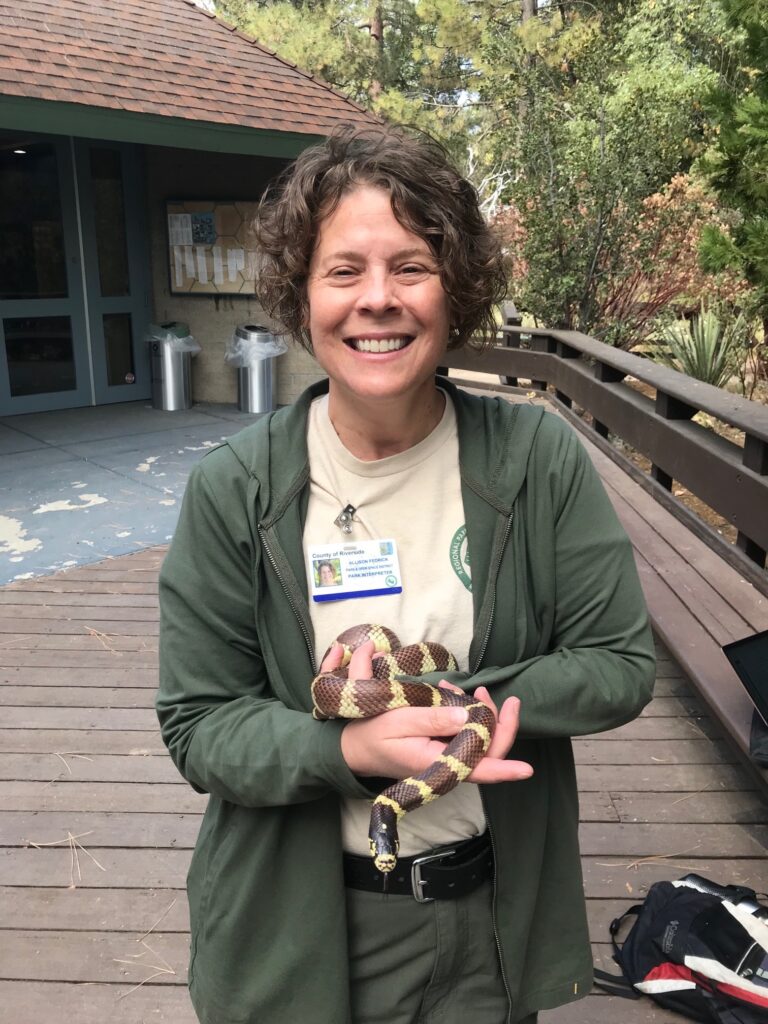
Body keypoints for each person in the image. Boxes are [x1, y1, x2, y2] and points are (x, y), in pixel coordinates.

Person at [157, 124, 655, 1024]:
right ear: (301, 295)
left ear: (454, 288)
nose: (376, 301)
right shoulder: (235, 487)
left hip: (490, 919)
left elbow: (618, 664)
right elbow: (198, 725)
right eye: (343, 271)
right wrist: (342, 751)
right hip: (298, 923)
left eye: (412, 267)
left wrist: (463, 706)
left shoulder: (534, 458)